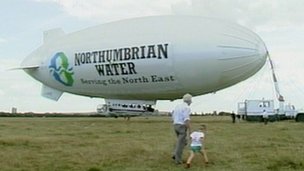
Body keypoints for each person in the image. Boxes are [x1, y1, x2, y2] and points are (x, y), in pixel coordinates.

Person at [171, 93, 192, 165]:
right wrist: (190, 129)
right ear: (189, 101)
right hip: (181, 126)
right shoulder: (186, 108)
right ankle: (178, 160)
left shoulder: (177, 106)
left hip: (175, 125)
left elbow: (173, 115)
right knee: (181, 143)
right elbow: (186, 119)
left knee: (183, 142)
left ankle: (175, 154)